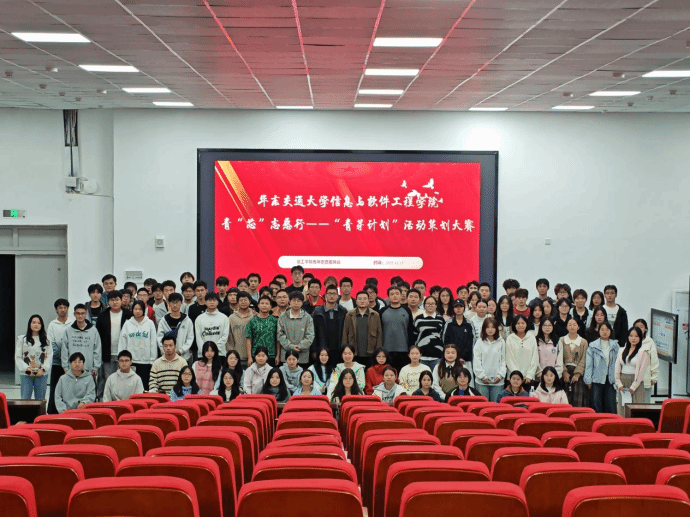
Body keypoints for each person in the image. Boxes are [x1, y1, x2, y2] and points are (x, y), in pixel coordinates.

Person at [95, 290, 132, 399]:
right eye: (112, 300)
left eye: (117, 299)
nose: (115, 302)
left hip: (124, 353)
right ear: (108, 301)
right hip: (108, 354)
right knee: (109, 380)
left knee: (124, 380)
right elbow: (98, 336)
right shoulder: (102, 316)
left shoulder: (128, 315)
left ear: (121, 300)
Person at [118, 300, 157, 391]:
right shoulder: (127, 324)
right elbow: (122, 342)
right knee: (130, 386)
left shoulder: (150, 323)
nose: (138, 311)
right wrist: (121, 358)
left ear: (143, 310)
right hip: (131, 361)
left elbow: (153, 343)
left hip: (146, 362)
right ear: (132, 310)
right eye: (135, 309)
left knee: (144, 386)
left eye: (140, 309)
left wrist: (152, 360)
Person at [615, 327, 651, 416]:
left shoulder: (644, 352)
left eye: (636, 336)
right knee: (622, 409)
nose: (633, 338)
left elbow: (641, 372)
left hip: (636, 383)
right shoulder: (621, 350)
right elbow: (617, 367)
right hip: (623, 382)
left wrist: (634, 386)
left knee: (636, 409)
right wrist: (618, 383)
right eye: (631, 336)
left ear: (640, 338)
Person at [378, 286, 415, 373]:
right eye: (392, 294)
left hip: (404, 350)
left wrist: (410, 349)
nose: (394, 296)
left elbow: (410, 330)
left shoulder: (407, 310)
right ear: (388, 297)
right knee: (388, 375)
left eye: (397, 294)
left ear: (401, 295)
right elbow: (379, 331)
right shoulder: (383, 311)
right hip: (386, 351)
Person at [60, 304, 101, 381]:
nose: (80, 316)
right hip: (72, 371)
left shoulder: (93, 331)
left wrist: (96, 367)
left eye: (82, 313)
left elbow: (97, 350)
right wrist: (65, 367)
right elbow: (64, 351)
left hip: (89, 370)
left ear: (86, 314)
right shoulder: (68, 331)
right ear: (74, 314)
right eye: (78, 313)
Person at [584, 322, 618, 414]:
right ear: (598, 331)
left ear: (611, 331)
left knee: (610, 405)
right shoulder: (592, 345)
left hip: (610, 379)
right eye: (602, 330)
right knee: (596, 404)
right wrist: (588, 380)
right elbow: (589, 364)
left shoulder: (615, 346)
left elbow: (618, 364)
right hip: (596, 379)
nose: (605, 332)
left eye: (607, 330)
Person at [15, 314, 51, 400]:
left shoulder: (46, 340)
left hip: (41, 374)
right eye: (34, 322)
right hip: (26, 374)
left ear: (41, 325)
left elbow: (49, 356)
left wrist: (43, 369)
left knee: (40, 400)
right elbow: (18, 357)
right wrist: (26, 368)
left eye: (39, 323)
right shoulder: (22, 339)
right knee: (25, 399)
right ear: (29, 324)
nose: (36, 325)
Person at [47, 298, 74, 414]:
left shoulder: (72, 323)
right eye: (60, 307)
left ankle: (68, 411)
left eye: (64, 307)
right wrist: (61, 355)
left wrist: (68, 357)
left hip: (70, 361)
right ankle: (53, 411)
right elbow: (51, 343)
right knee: (55, 386)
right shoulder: (52, 325)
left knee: (69, 387)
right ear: (56, 310)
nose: (62, 309)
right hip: (56, 361)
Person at [342, 291, 382, 367]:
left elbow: (379, 334)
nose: (362, 301)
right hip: (354, 353)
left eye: (365, 299)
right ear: (356, 301)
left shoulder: (375, 315)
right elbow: (345, 333)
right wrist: (345, 350)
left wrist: (378, 351)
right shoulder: (349, 315)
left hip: (370, 353)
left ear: (368, 301)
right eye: (360, 299)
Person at [312, 285, 348, 366]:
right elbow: (313, 331)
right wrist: (314, 350)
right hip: (322, 349)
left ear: (337, 296)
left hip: (338, 349)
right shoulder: (317, 312)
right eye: (329, 293)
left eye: (334, 294)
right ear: (325, 296)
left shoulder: (343, 311)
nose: (332, 296)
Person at [277, 291, 315, 368]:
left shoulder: (308, 318)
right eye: (294, 301)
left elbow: (310, 335)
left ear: (302, 302)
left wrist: (299, 347)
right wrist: (290, 346)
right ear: (289, 302)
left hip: (302, 356)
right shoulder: (283, 317)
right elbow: (280, 334)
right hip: (286, 356)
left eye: (299, 301)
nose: (296, 303)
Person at [473, 318, 506, 403]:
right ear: (484, 328)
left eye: (493, 327)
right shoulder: (479, 342)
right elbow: (476, 361)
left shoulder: (501, 342)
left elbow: (504, 360)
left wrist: (500, 375)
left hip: (497, 381)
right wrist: (482, 376)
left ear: (496, 329)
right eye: (488, 327)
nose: (490, 330)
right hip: (482, 382)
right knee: (482, 406)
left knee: (496, 407)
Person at [156, 292, 194, 362]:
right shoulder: (163, 320)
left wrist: (180, 351)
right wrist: (165, 351)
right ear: (168, 303)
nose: (175, 305)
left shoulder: (187, 321)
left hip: (183, 358)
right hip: (167, 357)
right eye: (173, 302)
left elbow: (190, 338)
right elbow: (159, 338)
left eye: (177, 302)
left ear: (181, 303)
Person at [560, 318, 589, 407]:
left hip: (578, 373)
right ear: (566, 327)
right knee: (565, 398)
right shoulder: (561, 340)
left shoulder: (583, 342)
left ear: (578, 327)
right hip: (564, 372)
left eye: (574, 324)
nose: (572, 327)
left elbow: (584, 359)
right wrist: (564, 372)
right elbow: (559, 358)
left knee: (577, 400)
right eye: (570, 325)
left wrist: (577, 374)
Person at [505, 315, 538, 387]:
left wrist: (529, 375)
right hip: (513, 378)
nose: (520, 325)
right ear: (514, 325)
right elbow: (509, 359)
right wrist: (517, 376)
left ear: (526, 324)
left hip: (528, 379)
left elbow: (535, 358)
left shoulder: (531, 338)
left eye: (523, 323)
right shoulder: (510, 338)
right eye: (518, 323)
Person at [245, 295, 279, 367]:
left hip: (271, 355)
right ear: (258, 305)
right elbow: (249, 340)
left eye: (267, 304)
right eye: (262, 303)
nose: (264, 305)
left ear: (270, 306)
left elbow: (278, 340)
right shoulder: (252, 321)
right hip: (256, 355)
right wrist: (249, 357)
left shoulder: (275, 321)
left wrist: (278, 355)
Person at [443, 300, 474, 375]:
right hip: (451, 359)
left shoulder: (469, 323)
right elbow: (446, 341)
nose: (458, 309)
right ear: (453, 308)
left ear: (464, 308)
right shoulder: (449, 323)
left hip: (466, 360)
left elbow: (471, 342)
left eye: (460, 306)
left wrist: (463, 357)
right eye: (456, 307)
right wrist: (453, 356)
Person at [414, 296, 446, 370]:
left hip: (437, 355)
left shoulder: (440, 319)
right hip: (421, 356)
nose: (430, 305)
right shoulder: (418, 319)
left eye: (432, 304)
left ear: (436, 306)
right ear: (424, 305)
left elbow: (443, 337)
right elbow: (414, 337)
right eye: (428, 303)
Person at [195, 292, 230, 360]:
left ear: (218, 302)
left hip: (220, 354)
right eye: (209, 300)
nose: (212, 302)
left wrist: (214, 350)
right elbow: (198, 338)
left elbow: (225, 336)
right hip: (203, 354)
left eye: (214, 300)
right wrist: (205, 350)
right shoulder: (199, 319)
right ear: (205, 302)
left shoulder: (224, 318)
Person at [633, 319, 660, 400]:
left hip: (645, 379)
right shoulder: (630, 341)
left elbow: (654, 361)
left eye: (641, 327)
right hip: (631, 379)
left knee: (644, 403)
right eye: (636, 327)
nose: (639, 329)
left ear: (645, 329)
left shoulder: (649, 342)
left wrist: (654, 378)